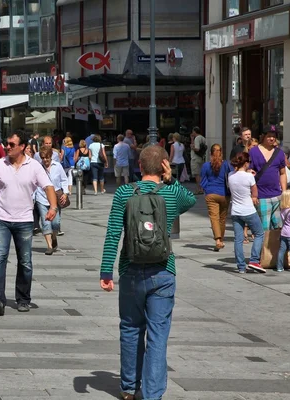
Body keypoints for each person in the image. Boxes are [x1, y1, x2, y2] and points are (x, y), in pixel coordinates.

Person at [99, 145, 196, 400]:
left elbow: (112, 235)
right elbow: (191, 199)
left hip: (131, 270)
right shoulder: (171, 194)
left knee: (130, 329)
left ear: (139, 166)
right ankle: (152, 394)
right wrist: (171, 177)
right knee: (158, 334)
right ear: (164, 165)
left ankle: (129, 388)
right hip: (163, 271)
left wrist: (106, 271)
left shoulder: (123, 193)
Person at [0, 132, 57, 316]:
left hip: (24, 220)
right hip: (0, 219)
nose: (7, 147)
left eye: (11, 144)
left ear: (22, 146)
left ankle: (23, 299)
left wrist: (53, 207)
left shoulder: (34, 166)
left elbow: (48, 186)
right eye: (7, 144)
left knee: (25, 262)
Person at [228, 152, 265, 273]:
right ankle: (254, 260)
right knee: (259, 233)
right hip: (248, 210)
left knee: (238, 239)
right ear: (245, 163)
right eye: (248, 162)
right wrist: (251, 175)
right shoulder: (249, 177)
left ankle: (241, 266)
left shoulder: (230, 175)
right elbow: (255, 192)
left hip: (235, 211)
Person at [249, 131, 287, 231]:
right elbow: (248, 171)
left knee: (279, 227)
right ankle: (265, 247)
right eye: (269, 136)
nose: (271, 139)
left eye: (274, 136)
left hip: (277, 195)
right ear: (263, 136)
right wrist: (253, 195)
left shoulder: (279, 153)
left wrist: (284, 191)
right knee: (264, 228)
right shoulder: (253, 152)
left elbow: (283, 173)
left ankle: (277, 246)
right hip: (261, 196)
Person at [36, 146, 69, 255]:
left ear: (51, 157)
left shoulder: (57, 166)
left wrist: (65, 193)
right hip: (41, 197)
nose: (45, 160)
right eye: (43, 158)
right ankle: (49, 246)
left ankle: (54, 237)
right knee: (45, 222)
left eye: (47, 157)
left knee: (55, 222)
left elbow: (64, 180)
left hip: (55, 198)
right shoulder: (38, 167)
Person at [201, 144, 231, 251]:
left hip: (211, 194)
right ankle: (220, 240)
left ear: (210, 153)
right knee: (222, 219)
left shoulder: (206, 166)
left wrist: (206, 190)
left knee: (214, 217)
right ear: (221, 153)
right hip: (224, 194)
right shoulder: (226, 165)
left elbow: (203, 181)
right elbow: (231, 177)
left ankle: (218, 240)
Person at [190, 127, 207, 194]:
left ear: (195, 132)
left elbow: (197, 148)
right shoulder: (203, 138)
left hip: (195, 158)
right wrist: (192, 139)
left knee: (197, 174)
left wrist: (192, 147)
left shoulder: (197, 138)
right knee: (201, 174)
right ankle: (201, 188)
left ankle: (199, 189)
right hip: (201, 158)